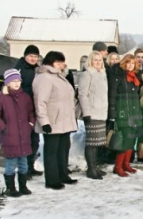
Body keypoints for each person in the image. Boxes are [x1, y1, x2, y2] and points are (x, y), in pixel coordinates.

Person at [32, 51, 78, 190]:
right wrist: (44, 121)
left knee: (63, 149)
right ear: (51, 63)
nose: (62, 65)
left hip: (64, 120)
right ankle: (52, 179)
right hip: (52, 120)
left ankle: (63, 175)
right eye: (59, 62)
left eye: (62, 62)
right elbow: (41, 101)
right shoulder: (45, 78)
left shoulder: (59, 76)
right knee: (52, 151)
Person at [0, 69, 35, 197]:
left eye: (18, 81)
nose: (16, 83)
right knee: (11, 164)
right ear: (8, 83)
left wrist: (30, 124)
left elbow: (31, 113)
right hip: (9, 137)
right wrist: (3, 127)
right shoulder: (1, 98)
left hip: (24, 137)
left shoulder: (25, 97)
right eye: (13, 81)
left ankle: (23, 186)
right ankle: (11, 188)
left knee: (23, 164)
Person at [108, 54, 143, 177]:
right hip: (122, 111)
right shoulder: (118, 76)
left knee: (132, 138)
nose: (130, 65)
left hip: (134, 112)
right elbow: (112, 94)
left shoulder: (135, 77)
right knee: (123, 140)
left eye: (132, 63)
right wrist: (112, 110)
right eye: (128, 62)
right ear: (124, 63)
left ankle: (126, 164)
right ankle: (117, 166)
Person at [78, 51, 109, 180]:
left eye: (100, 60)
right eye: (95, 60)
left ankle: (95, 166)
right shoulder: (87, 74)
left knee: (98, 142)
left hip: (101, 112)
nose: (98, 62)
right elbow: (82, 94)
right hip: (92, 112)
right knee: (91, 142)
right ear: (90, 61)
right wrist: (86, 112)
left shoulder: (102, 74)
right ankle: (90, 169)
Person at [14, 45, 43, 178]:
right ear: (25, 56)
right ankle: (23, 169)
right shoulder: (18, 69)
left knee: (34, 140)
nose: (33, 58)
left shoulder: (38, 69)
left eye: (35, 56)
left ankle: (30, 166)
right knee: (24, 140)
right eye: (31, 56)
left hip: (34, 109)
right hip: (22, 109)